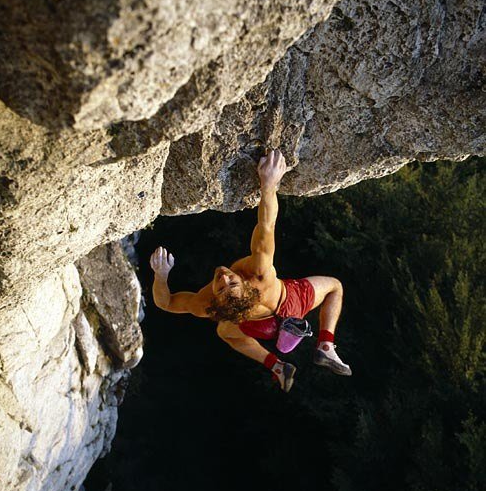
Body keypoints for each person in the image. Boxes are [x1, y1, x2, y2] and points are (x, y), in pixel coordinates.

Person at [150, 149, 351, 392]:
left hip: (260, 327)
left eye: (221, 287)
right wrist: (269, 184)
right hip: (291, 303)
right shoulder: (259, 273)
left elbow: (166, 302)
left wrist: (161, 276)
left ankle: (277, 365)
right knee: (334, 286)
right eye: (231, 283)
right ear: (245, 284)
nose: (224, 278)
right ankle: (326, 346)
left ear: (216, 301)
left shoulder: (207, 303)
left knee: (225, 332)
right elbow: (266, 226)